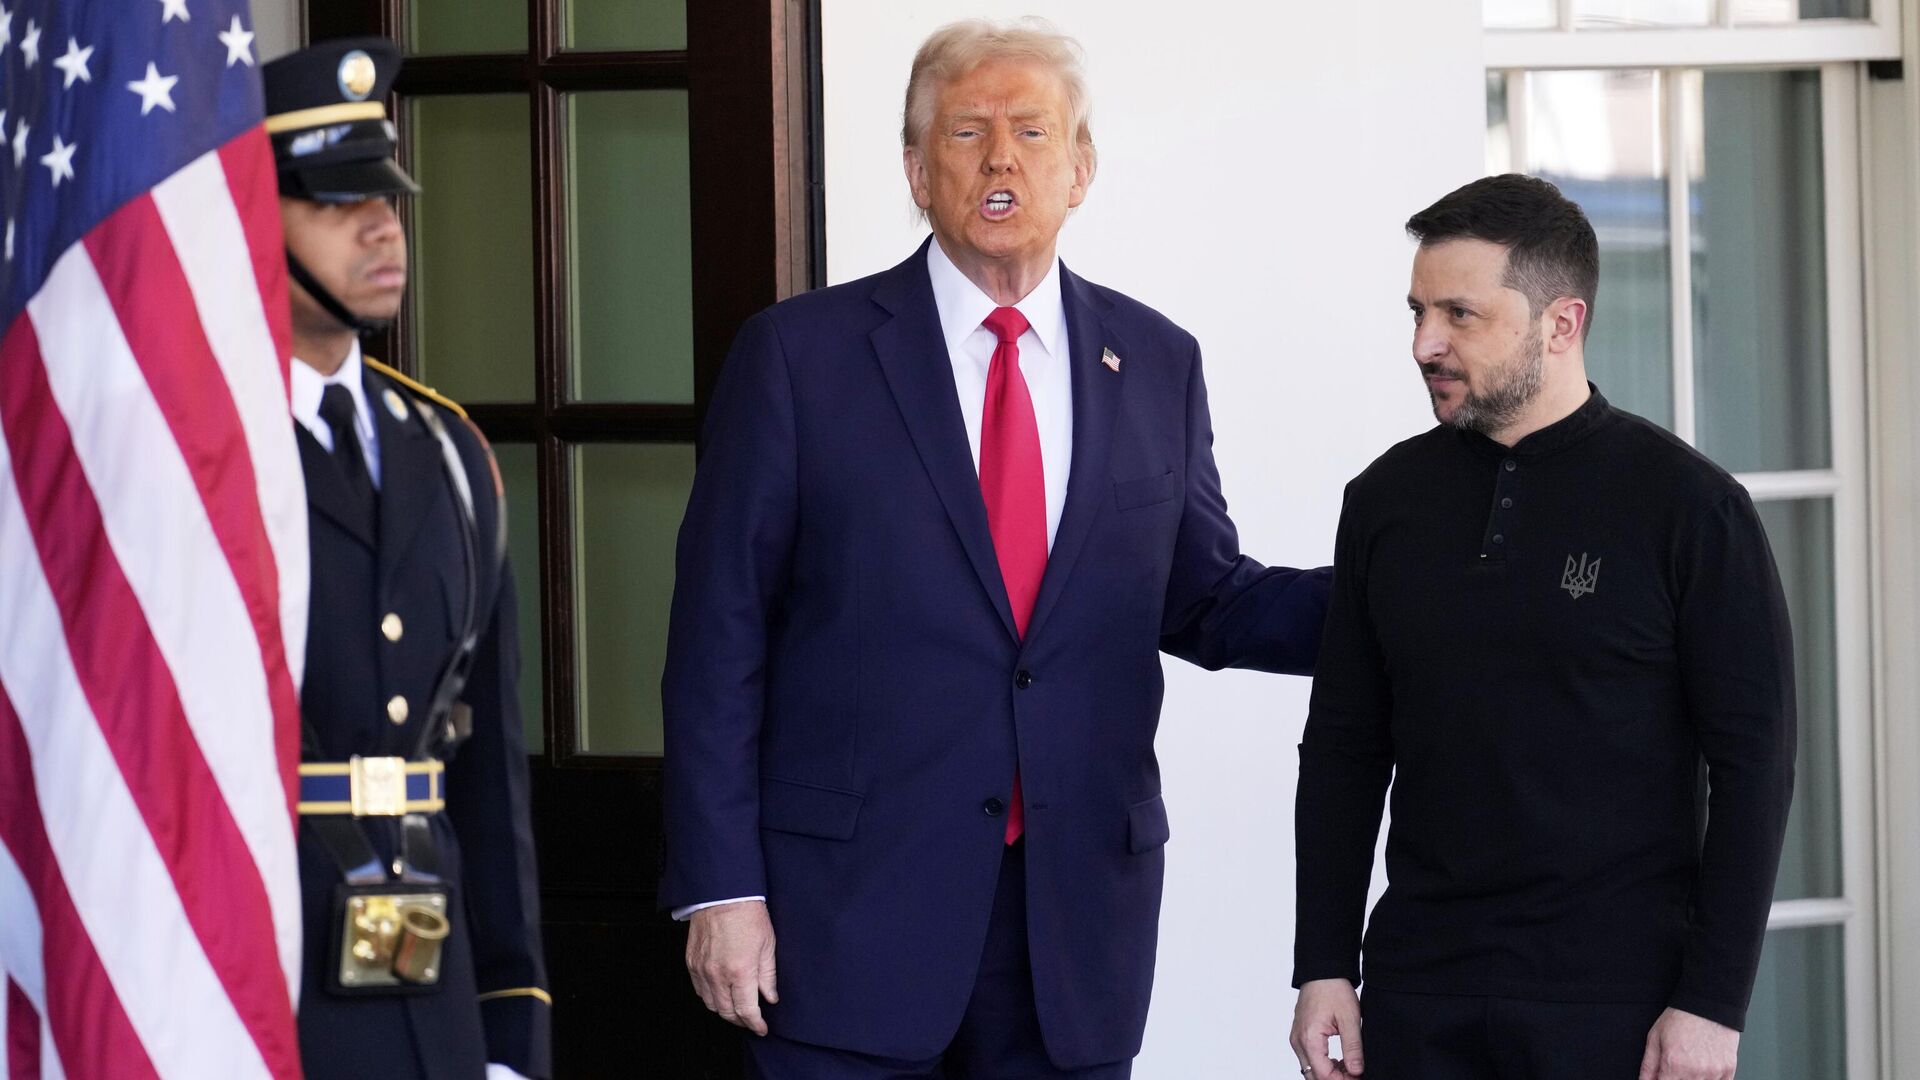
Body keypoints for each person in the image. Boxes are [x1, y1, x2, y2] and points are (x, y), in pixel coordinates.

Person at [661, 17, 1331, 1080]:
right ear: (917, 172)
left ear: (1081, 169)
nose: (1001, 158)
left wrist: (1401, 598)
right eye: (968, 132)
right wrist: (720, 888)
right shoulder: (799, 358)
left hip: (1073, 930)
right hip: (845, 924)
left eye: (1032, 131)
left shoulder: (1156, 360)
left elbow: (1204, 598)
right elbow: (717, 640)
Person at [1288, 174, 1795, 1080]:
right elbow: (1344, 746)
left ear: (1562, 324)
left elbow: (1755, 765)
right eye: (1417, 312)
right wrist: (1323, 961)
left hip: (1618, 1008)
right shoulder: (1384, 501)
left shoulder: (1691, 508)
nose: (1424, 343)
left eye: (1460, 314)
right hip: (1417, 995)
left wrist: (1713, 1003)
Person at [267, 38, 551, 1080]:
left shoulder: (447, 450)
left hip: (430, 991)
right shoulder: (198, 454)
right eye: (338, 201)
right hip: (256, 981)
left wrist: (511, 1032)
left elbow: (489, 774)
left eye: (384, 195)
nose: (383, 225)